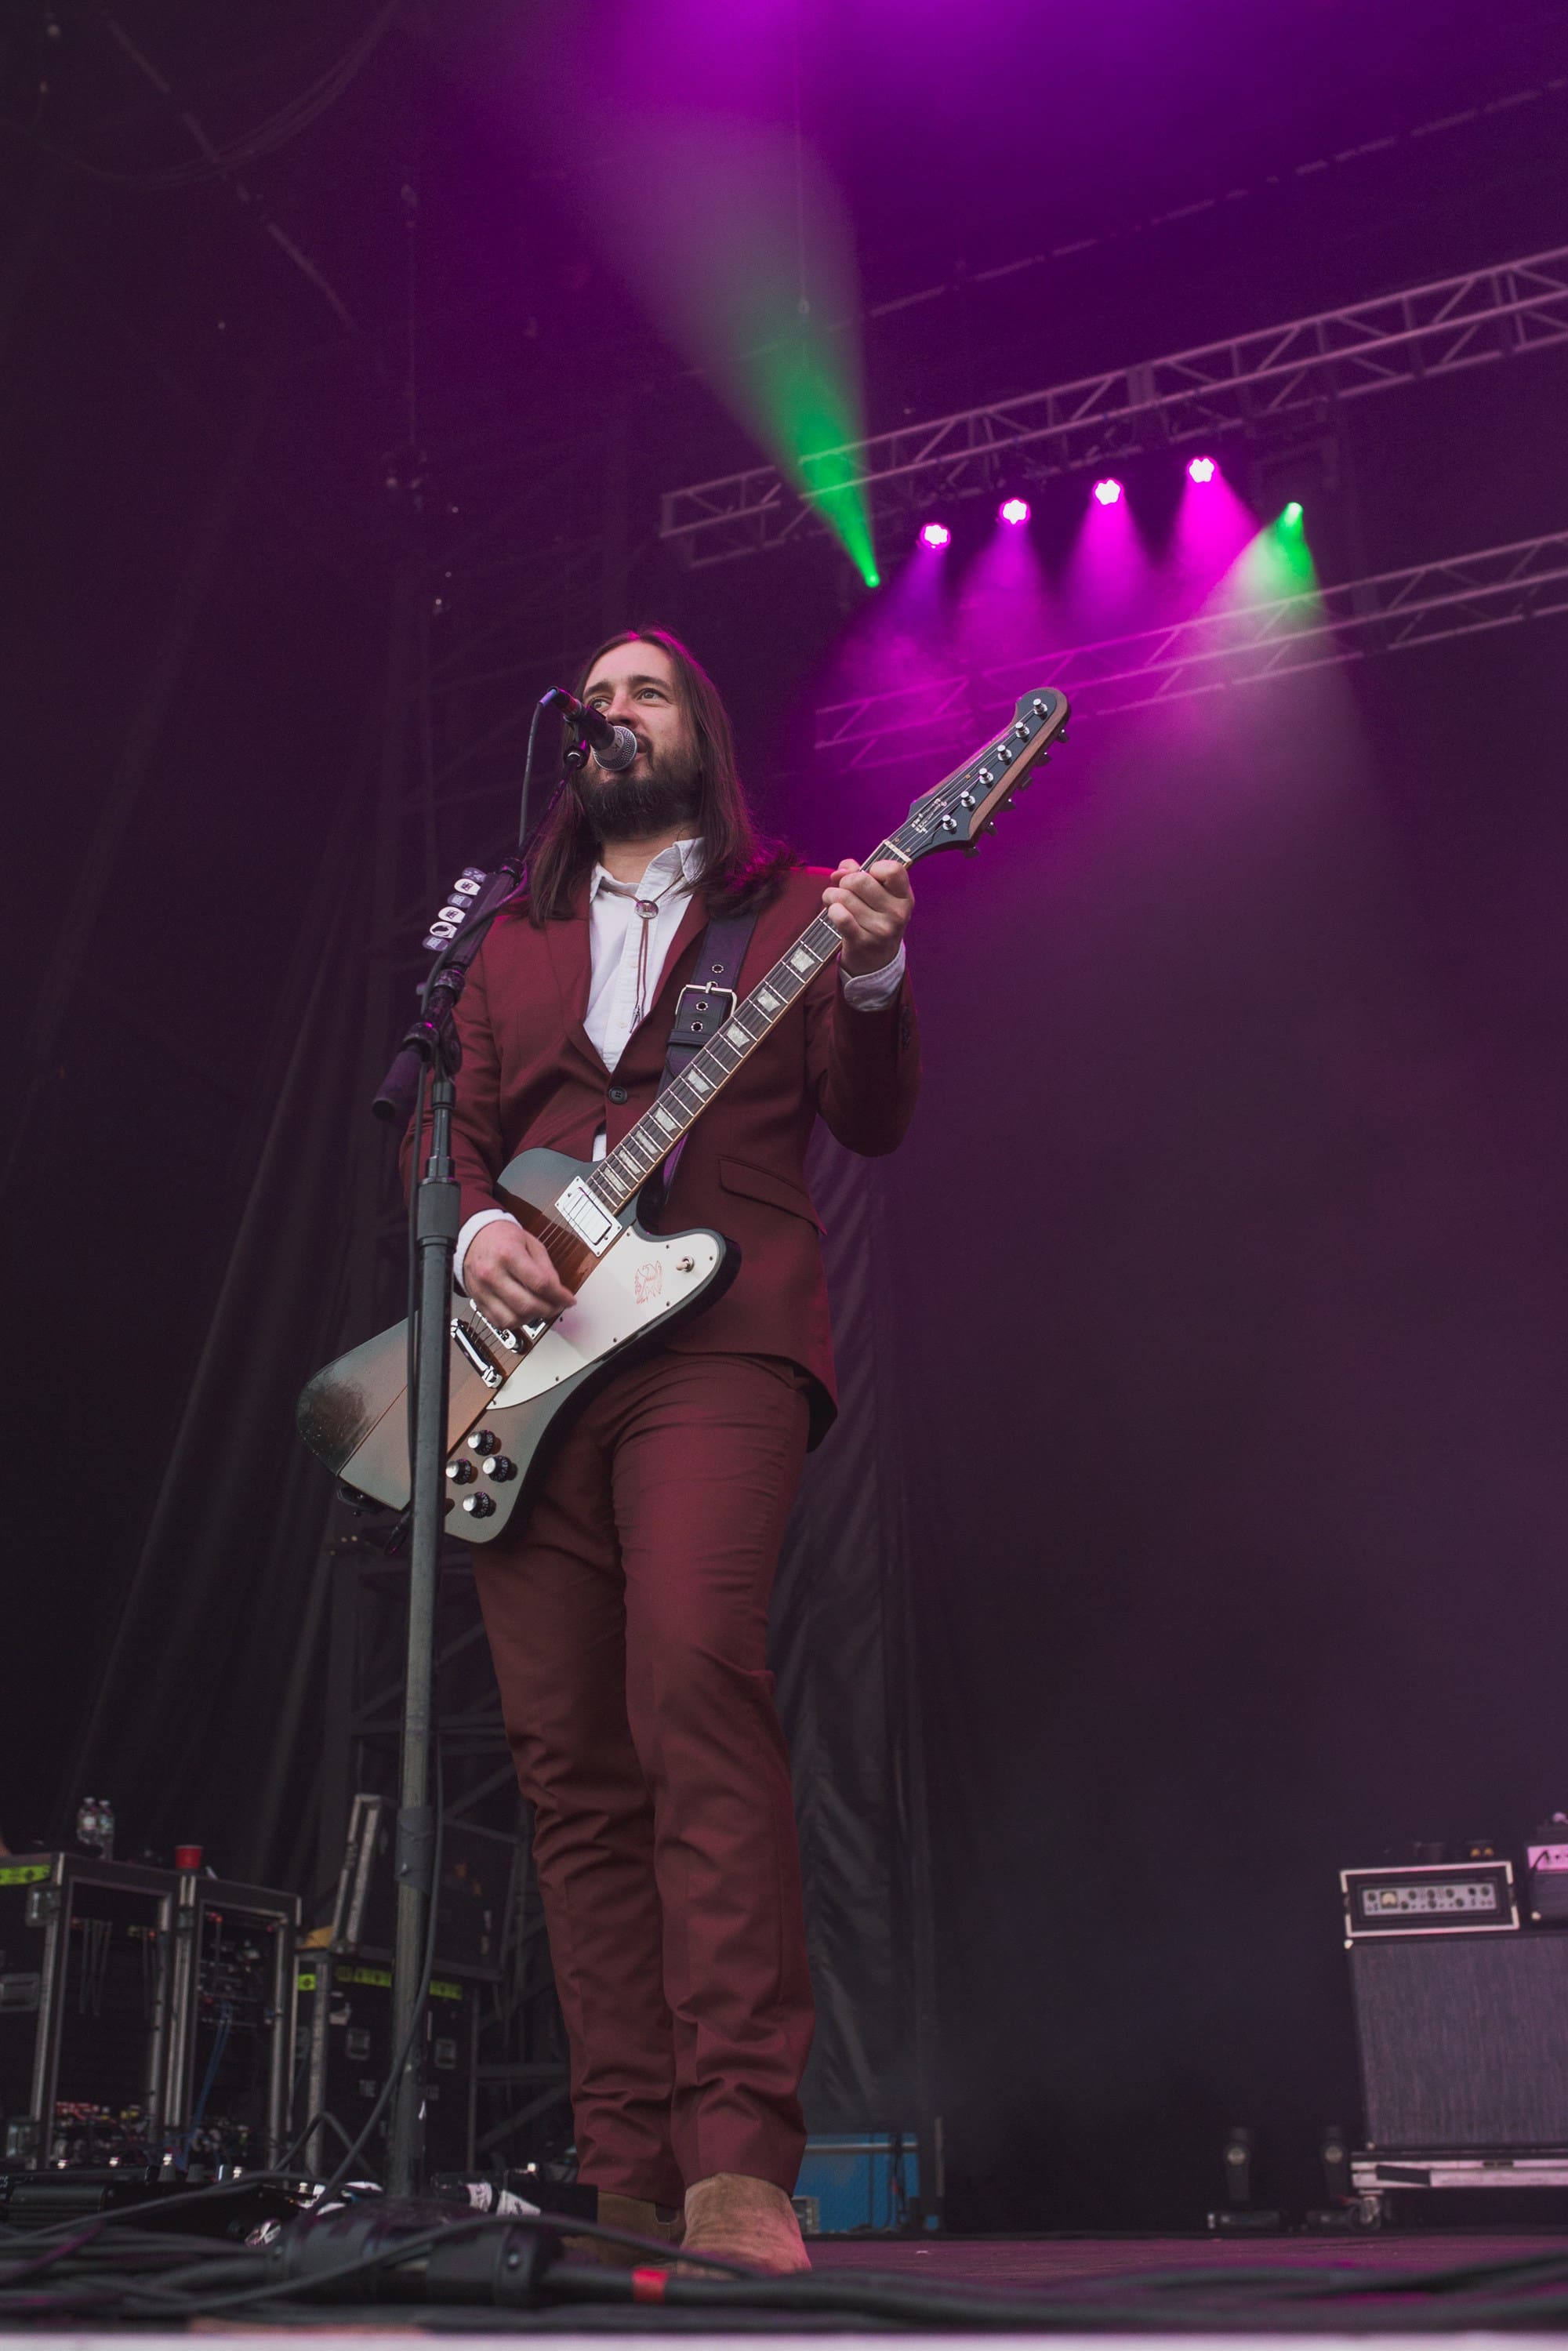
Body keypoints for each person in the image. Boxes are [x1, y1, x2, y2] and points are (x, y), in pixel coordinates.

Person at [422, 626, 917, 2273]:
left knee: (695, 1683)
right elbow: (446, 1128)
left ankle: (737, 2162)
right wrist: (477, 1225)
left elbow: (871, 1116)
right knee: (569, 1770)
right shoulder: (510, 937)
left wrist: (873, 975)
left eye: (644, 690)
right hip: (528, 1375)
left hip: (716, 1338)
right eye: (597, 696)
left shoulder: (790, 908)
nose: (613, 710)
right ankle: (625, 2165)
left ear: (698, 728)